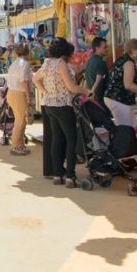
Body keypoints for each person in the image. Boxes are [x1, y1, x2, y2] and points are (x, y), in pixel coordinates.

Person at [32, 37, 89, 187]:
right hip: (63, 104)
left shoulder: (47, 63)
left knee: (56, 139)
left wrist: (45, 91)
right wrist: (86, 91)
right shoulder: (61, 64)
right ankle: (70, 175)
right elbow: (71, 87)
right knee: (71, 139)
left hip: (49, 105)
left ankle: (58, 174)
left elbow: (35, 79)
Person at [103, 38, 137, 130]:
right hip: (117, 99)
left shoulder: (123, 60)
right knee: (126, 128)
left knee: (133, 126)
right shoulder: (128, 62)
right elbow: (128, 85)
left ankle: (135, 142)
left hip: (116, 98)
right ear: (133, 50)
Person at [4, 45, 33, 156]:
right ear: (27, 53)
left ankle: (20, 145)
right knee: (20, 121)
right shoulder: (24, 64)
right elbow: (23, 81)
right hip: (19, 93)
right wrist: (29, 94)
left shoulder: (15, 63)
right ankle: (16, 146)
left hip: (12, 93)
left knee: (21, 120)